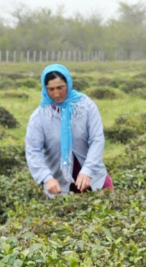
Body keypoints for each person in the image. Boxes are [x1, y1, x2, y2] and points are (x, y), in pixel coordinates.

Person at [25, 64, 112, 198]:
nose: (56, 94)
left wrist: (87, 171)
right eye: (51, 89)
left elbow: (97, 140)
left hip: (93, 179)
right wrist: (46, 177)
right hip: (59, 185)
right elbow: (33, 150)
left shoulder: (86, 106)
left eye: (60, 87)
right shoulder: (40, 116)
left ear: (68, 84)